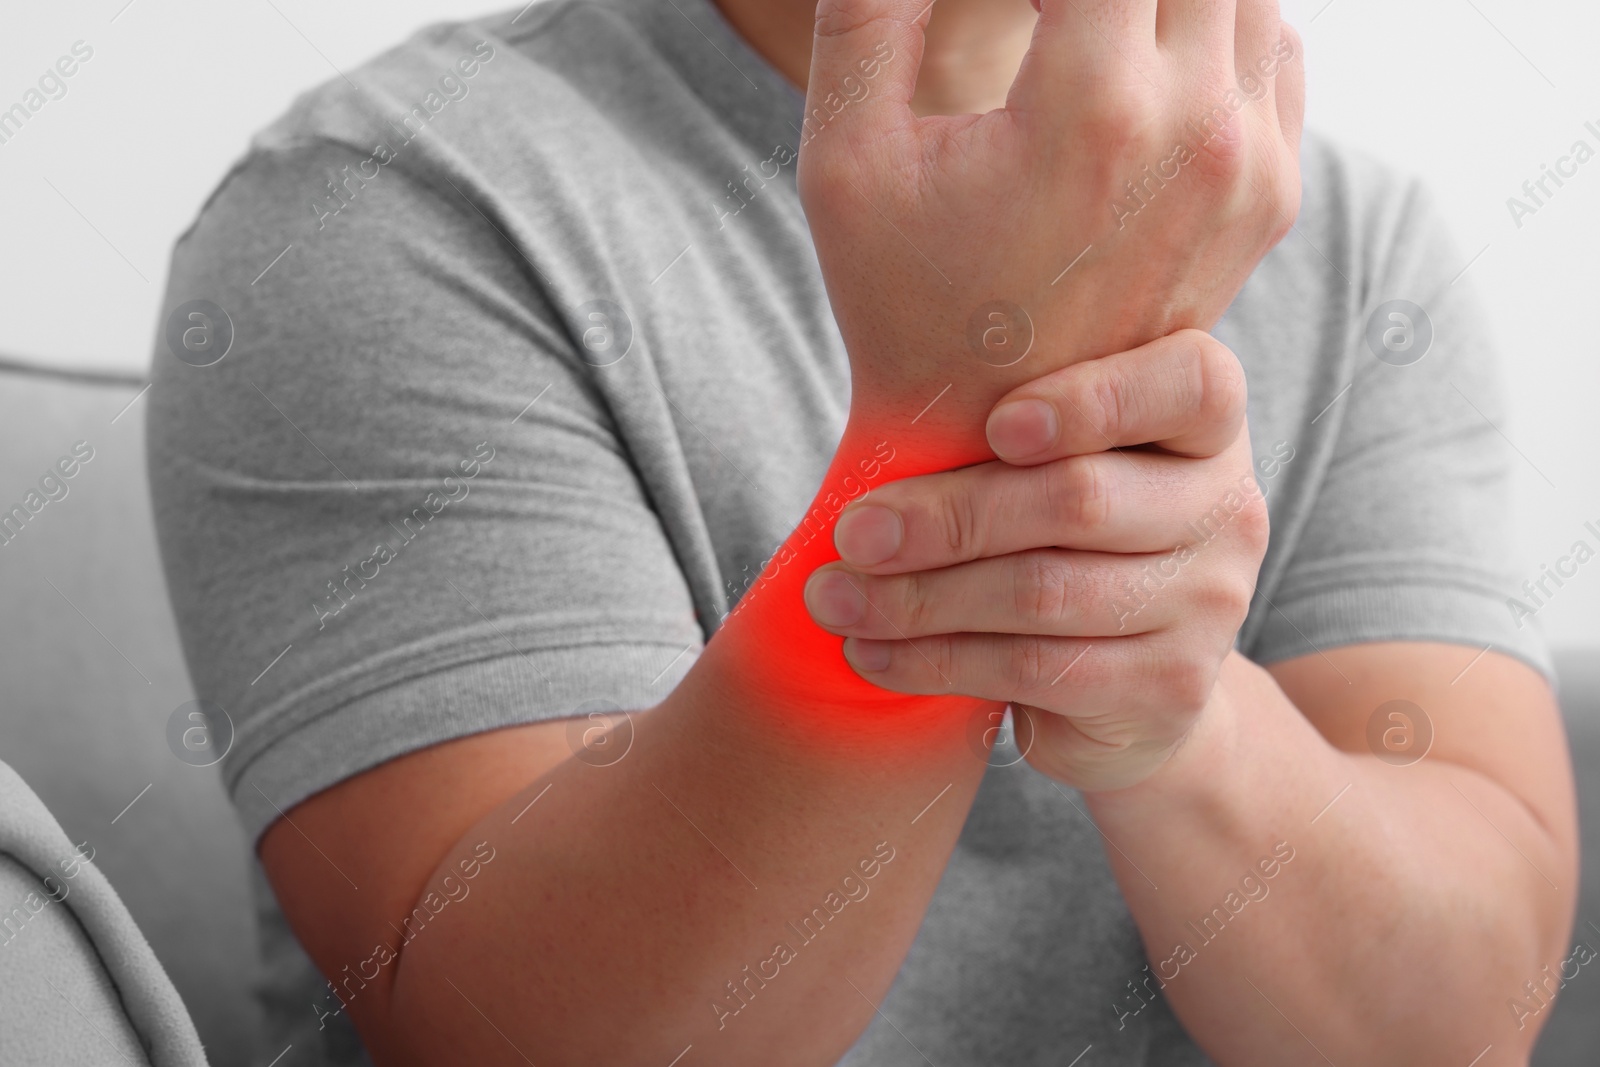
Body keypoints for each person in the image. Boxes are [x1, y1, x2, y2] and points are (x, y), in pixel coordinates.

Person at [145, 0, 1578, 1063]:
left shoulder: (1350, 238)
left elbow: (1460, 1026)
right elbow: (541, 1038)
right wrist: (968, 416)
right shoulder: (387, 204)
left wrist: (1164, 703)